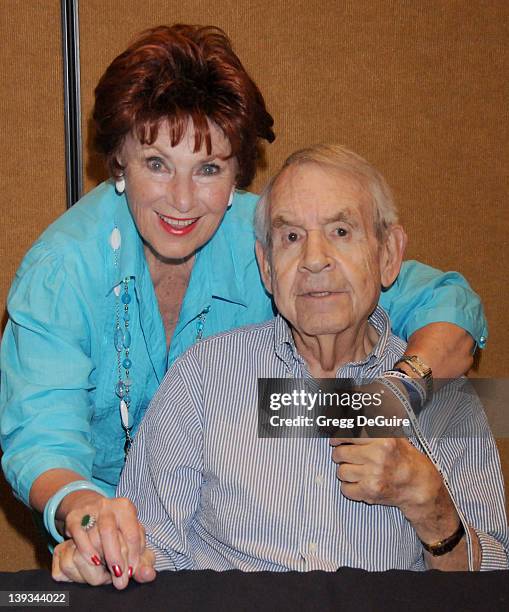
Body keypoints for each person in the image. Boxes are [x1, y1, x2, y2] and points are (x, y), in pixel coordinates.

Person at [0, 25, 487, 587]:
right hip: (107, 534)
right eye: (157, 163)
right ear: (117, 164)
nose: (182, 200)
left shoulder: (279, 239)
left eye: (208, 168)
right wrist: (90, 515)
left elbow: (440, 301)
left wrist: (397, 395)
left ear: (236, 175)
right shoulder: (66, 271)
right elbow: (41, 436)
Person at [52, 144, 507, 583]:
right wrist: (104, 557)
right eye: (291, 237)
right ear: (267, 267)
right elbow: (153, 550)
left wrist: (432, 509)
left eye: (340, 232)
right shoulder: (204, 376)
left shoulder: (441, 391)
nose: (314, 260)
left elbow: (496, 579)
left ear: (388, 255)